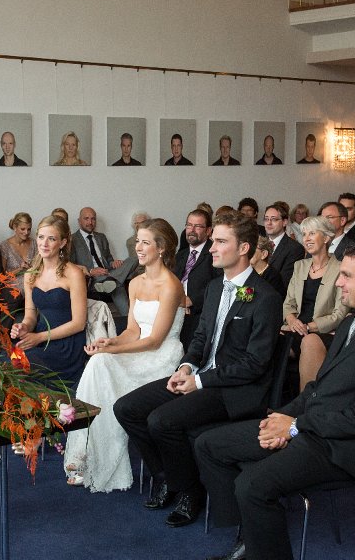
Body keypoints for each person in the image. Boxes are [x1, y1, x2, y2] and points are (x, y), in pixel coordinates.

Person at [195, 243, 355, 560]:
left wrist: (296, 425)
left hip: (347, 448)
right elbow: (317, 388)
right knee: (210, 445)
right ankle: (251, 539)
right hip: (313, 427)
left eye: (346, 276)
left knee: (252, 483)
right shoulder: (352, 322)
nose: (339, 283)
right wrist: (280, 417)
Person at [113, 212, 280, 528]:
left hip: (235, 391)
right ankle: (167, 477)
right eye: (213, 240)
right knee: (126, 408)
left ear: (244, 248)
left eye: (220, 241)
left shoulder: (265, 297)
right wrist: (186, 366)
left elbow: (255, 364)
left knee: (162, 421)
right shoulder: (215, 288)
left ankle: (190, 491)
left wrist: (200, 381)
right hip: (202, 376)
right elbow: (201, 337)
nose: (211, 248)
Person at [63, 218, 185, 492]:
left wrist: (112, 349)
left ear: (161, 248)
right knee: (98, 362)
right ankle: (87, 454)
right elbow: (132, 331)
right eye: (137, 241)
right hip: (138, 350)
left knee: (102, 361)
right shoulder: (135, 283)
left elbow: (154, 341)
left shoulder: (171, 285)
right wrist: (110, 341)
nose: (138, 247)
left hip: (162, 357)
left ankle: (93, 454)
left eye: (145, 242)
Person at [10, 215, 88, 388]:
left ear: (62, 243)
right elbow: (30, 315)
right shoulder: (31, 274)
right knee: (3, 358)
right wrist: (23, 327)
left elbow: (79, 323)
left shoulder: (74, 273)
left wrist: (39, 337)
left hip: (67, 344)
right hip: (39, 337)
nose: (44, 244)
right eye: (41, 237)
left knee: (20, 362)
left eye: (51, 239)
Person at [282, 216, 350, 392]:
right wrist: (292, 320)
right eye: (304, 234)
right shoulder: (299, 266)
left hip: (322, 332)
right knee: (266, 339)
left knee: (304, 343)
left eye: (312, 233)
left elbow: (339, 314)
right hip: (295, 328)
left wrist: (308, 327)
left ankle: (304, 403)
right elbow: (288, 303)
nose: (306, 239)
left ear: (326, 237)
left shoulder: (341, 268)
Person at [174, 208, 221, 350]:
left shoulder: (215, 254)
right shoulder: (180, 255)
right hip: (176, 309)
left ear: (208, 231)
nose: (192, 230)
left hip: (200, 314)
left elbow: (219, 285)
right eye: (189, 225)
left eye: (198, 226)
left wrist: (192, 300)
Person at [0, 212, 36, 319]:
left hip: (32, 285)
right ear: (15, 227)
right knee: (13, 297)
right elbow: (2, 277)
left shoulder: (34, 243)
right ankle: (5, 328)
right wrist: (19, 269)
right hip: (13, 288)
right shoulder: (5, 246)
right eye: (23, 229)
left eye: (29, 229)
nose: (26, 232)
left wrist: (32, 268)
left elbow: (41, 266)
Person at [263, 202, 305, 293]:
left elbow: (284, 284)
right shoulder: (257, 245)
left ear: (284, 222)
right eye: (266, 219)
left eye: (274, 219)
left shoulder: (295, 249)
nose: (269, 223)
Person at [251, 236, 287, 302]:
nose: (247, 252)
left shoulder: (274, 277)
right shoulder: (247, 272)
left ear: (264, 254)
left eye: (252, 249)